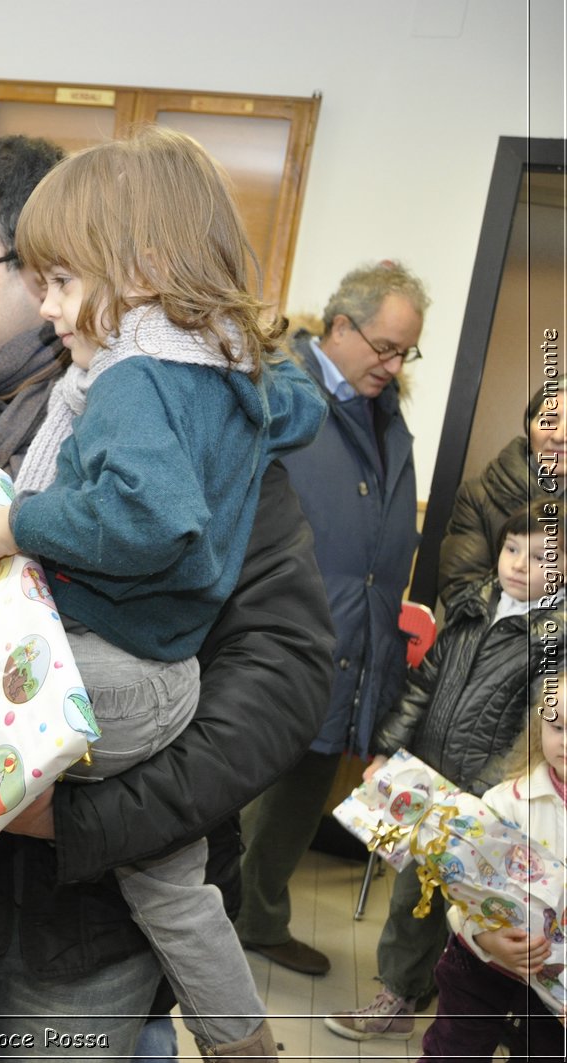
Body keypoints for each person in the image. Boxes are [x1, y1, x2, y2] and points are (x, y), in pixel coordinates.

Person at [0, 134, 335, 1061]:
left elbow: (280, 678)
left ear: (57, 264)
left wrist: (73, 812)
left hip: (76, 932)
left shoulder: (184, 420)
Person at [236, 260, 427, 979]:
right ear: (341, 326)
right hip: (281, 628)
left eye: (405, 350)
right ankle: (216, 925)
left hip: (354, 631)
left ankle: (257, 916)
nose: (393, 363)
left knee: (306, 784)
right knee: (247, 783)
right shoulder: (282, 391)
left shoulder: (385, 413)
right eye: (384, 346)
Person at [326, 500, 563, 1042]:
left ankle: (477, 1018)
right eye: (511, 549)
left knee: (490, 913)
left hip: (497, 803)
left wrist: (495, 795)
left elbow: (536, 727)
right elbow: (423, 686)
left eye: (540, 557)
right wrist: (388, 748)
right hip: (432, 783)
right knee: (415, 894)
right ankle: (399, 995)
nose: (519, 564)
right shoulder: (470, 604)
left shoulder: (555, 637)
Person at [416, 676, 567, 1061]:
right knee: (452, 1052)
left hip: (557, 989)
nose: (566, 740)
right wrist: (486, 939)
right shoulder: (506, 801)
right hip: (481, 967)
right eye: (558, 726)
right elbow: (465, 890)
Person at [438, 384, 563, 609]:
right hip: (494, 638)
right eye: (549, 421)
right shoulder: (479, 495)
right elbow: (461, 591)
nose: (560, 436)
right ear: (528, 426)